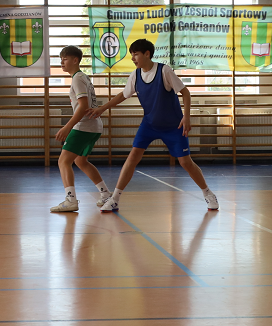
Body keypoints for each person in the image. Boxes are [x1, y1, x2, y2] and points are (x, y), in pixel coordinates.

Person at [87, 38, 219, 212]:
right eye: (132, 55)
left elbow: (185, 93)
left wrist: (186, 117)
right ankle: (115, 199)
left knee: (185, 162)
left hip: (173, 126)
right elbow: (123, 95)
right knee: (132, 157)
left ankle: (208, 193)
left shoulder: (164, 71)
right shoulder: (135, 75)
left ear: (147, 54)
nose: (133, 58)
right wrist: (102, 108)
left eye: (135, 54)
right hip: (149, 124)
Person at [50, 45, 112, 213]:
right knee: (80, 161)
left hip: (84, 126)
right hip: (94, 126)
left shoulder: (77, 78)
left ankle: (70, 200)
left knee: (63, 161)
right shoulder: (83, 77)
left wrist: (67, 127)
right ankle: (105, 194)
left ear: (75, 60)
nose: (61, 62)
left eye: (65, 59)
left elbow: (83, 106)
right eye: (61, 59)